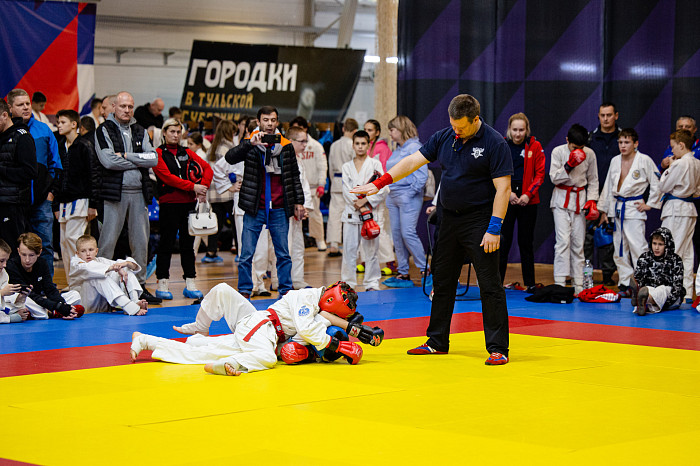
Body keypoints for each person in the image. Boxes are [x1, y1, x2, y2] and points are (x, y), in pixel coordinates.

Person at [351, 94, 512, 365]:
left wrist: (494, 228)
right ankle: (437, 341)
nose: (456, 131)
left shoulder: (494, 143)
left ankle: (498, 348)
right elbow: (413, 161)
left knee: (490, 284)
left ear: (476, 119)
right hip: (448, 219)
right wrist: (380, 183)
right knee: (442, 281)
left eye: (461, 127)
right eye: (453, 125)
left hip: (480, 221)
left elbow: (503, 188)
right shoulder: (445, 136)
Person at [129, 281, 380, 376]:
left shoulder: (316, 305)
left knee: (205, 346)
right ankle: (230, 361)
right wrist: (339, 346)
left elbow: (323, 319)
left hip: (256, 323)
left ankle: (146, 340)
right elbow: (307, 332)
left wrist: (353, 328)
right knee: (267, 358)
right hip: (263, 328)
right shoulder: (306, 299)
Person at [224, 106, 305, 298]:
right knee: (246, 254)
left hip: (279, 206)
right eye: (266, 120)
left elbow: (294, 175)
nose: (269, 124)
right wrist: (249, 144)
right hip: (255, 206)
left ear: (277, 122)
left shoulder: (285, 145)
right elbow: (229, 158)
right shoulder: (251, 143)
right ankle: (245, 290)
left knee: (283, 253)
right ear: (259, 121)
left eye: (273, 120)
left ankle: (285, 291)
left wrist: (299, 202)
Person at [93, 91, 161, 304]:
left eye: (130, 106)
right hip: (114, 193)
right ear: (114, 106)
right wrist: (138, 161)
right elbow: (108, 161)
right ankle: (103, 289)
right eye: (123, 106)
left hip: (139, 193)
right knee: (107, 243)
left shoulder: (140, 130)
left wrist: (126, 156)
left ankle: (139, 287)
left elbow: (153, 159)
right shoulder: (103, 129)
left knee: (141, 243)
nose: (127, 110)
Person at [152, 118, 213, 300]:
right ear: (164, 133)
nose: (175, 135)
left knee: (188, 245)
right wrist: (193, 187)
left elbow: (207, 168)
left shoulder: (186, 152)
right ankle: (162, 283)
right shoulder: (158, 153)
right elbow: (168, 178)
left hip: (188, 204)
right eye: (172, 131)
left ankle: (190, 282)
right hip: (169, 204)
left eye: (178, 132)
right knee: (166, 244)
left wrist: (203, 188)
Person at [251, 126, 315, 293]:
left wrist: (304, 206)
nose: (305, 145)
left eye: (306, 141)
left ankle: (295, 279)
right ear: (291, 141)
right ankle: (274, 281)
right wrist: (294, 204)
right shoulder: (279, 157)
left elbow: (303, 186)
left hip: (297, 209)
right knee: (280, 248)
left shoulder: (299, 160)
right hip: (282, 208)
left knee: (297, 247)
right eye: (302, 141)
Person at [597, 128, 661, 295]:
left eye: (627, 142)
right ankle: (625, 283)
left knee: (638, 247)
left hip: (634, 207)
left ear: (635, 143)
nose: (623, 146)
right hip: (617, 207)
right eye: (620, 142)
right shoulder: (615, 160)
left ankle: (644, 283)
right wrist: (604, 210)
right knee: (619, 248)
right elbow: (608, 186)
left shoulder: (644, 160)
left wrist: (650, 204)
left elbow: (657, 182)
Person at [8, 89, 62, 277]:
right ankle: (17, 286)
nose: (25, 107)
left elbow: (56, 164)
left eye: (27, 103)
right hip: (15, 202)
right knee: (13, 246)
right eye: (20, 104)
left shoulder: (44, 129)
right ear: (10, 108)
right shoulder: (6, 131)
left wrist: (51, 194)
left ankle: (46, 286)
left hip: (41, 202)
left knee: (45, 246)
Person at [550, 124, 599, 294]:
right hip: (561, 199)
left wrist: (592, 200)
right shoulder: (558, 152)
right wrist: (568, 166)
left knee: (578, 243)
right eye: (574, 147)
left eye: (581, 148)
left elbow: (593, 179)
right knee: (562, 241)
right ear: (567, 141)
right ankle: (560, 282)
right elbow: (553, 178)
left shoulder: (590, 154)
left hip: (580, 200)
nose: (578, 151)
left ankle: (579, 284)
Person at [499, 113, 545, 290]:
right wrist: (508, 193)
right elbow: (495, 172)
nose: (518, 134)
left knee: (526, 243)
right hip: (507, 198)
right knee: (503, 242)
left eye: (521, 130)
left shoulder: (535, 146)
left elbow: (540, 174)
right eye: (515, 130)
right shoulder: (502, 145)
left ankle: (530, 284)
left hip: (528, 201)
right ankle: (497, 282)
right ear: (509, 130)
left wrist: (528, 194)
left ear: (527, 130)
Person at [53, 109, 99, 287]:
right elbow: (57, 175)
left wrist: (93, 204)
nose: (59, 125)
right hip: (63, 201)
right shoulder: (60, 145)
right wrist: (55, 204)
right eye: (58, 122)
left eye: (62, 122)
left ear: (74, 124)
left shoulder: (84, 145)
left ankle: (82, 284)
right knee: (64, 243)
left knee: (75, 241)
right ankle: (72, 283)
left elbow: (93, 175)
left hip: (80, 200)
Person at [382, 115, 426, 287]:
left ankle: (425, 270)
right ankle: (403, 273)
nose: (390, 133)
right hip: (394, 195)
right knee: (397, 235)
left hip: (408, 196)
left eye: (392, 130)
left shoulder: (414, 147)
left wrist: (409, 193)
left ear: (401, 129)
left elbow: (421, 176)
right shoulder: (398, 149)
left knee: (408, 233)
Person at [340, 130, 388, 291]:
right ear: (353, 146)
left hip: (370, 214)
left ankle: (372, 283)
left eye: (363, 143)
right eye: (357, 144)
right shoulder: (346, 166)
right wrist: (358, 204)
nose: (360, 147)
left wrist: (365, 200)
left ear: (368, 145)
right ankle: (348, 283)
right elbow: (346, 190)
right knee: (349, 251)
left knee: (371, 252)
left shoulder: (375, 164)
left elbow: (383, 188)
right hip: (351, 213)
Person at [658, 129, 700, 301]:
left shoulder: (679, 163)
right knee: (687, 252)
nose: (672, 151)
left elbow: (663, 186)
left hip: (676, 209)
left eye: (673, 147)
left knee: (671, 250)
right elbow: (698, 191)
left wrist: (669, 167)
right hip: (690, 208)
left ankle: (670, 291)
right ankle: (687, 291)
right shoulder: (697, 163)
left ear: (681, 145)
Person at [6, 233, 81, 319]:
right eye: (24, 255)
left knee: (75, 295)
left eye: (31, 255)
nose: (27, 260)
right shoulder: (11, 266)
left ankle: (51, 312)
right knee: (29, 302)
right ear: (18, 251)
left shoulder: (42, 263)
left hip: (39, 302)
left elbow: (50, 289)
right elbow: (30, 295)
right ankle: (51, 313)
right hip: (22, 301)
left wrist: (62, 305)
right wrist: (57, 306)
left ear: (39, 253)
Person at [69, 235, 147, 315]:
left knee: (126, 269)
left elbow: (132, 266)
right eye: (83, 251)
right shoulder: (75, 263)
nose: (88, 254)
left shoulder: (100, 261)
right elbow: (89, 268)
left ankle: (135, 301)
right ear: (77, 253)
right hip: (84, 305)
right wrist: (115, 268)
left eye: (91, 250)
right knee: (98, 276)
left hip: (102, 307)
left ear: (96, 251)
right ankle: (129, 307)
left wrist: (125, 264)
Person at [586, 103, 621, 286]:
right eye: (602, 115)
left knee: (608, 237)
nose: (606, 119)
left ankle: (608, 274)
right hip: (591, 194)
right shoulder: (590, 138)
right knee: (586, 238)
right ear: (598, 116)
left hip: (614, 194)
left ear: (616, 116)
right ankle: (586, 274)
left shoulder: (622, 138)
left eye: (609, 115)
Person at [0, 98, 37, 251]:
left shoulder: (22, 137)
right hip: (2, 201)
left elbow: (30, 171)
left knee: (12, 250)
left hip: (13, 205)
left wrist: (2, 170)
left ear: (4, 115)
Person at [362, 118, 396, 276]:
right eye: (365, 129)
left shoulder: (382, 149)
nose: (366, 132)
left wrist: (375, 192)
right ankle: (365, 260)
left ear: (377, 132)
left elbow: (383, 174)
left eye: (370, 130)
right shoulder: (365, 147)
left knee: (378, 227)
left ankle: (390, 262)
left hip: (378, 192)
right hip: (364, 192)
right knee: (364, 226)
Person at [289, 116, 328, 251]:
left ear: (305, 128)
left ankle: (319, 240)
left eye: (299, 128)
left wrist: (321, 184)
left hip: (312, 187)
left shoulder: (316, 146)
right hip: (295, 190)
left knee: (315, 215)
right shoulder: (289, 149)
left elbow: (322, 166)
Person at [203, 120, 238, 262]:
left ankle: (211, 252)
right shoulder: (228, 148)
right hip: (227, 190)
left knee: (216, 223)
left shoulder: (212, 148)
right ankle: (240, 251)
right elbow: (232, 170)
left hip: (213, 192)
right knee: (236, 223)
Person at [631, 227, 684, 315]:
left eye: (660, 244)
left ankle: (645, 301)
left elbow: (677, 288)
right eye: (654, 243)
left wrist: (664, 302)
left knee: (661, 290)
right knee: (647, 289)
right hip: (649, 290)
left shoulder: (676, 260)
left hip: (670, 296)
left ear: (667, 245)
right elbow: (639, 279)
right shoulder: (644, 258)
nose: (656, 247)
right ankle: (642, 300)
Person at [326, 118, 358, 256]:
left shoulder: (334, 145)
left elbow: (330, 165)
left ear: (344, 129)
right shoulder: (353, 145)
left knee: (334, 214)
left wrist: (333, 181)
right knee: (351, 213)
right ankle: (351, 245)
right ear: (355, 131)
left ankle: (333, 245)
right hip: (350, 181)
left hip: (336, 181)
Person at [0, 239, 30, 324]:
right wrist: (1, 293)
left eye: (6, 261)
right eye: (1, 261)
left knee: (27, 302)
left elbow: (4, 304)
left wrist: (20, 299)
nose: (5, 265)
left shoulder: (3, 273)